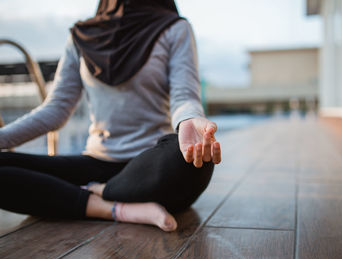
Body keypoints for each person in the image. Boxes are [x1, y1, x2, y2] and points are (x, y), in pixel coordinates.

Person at [0, 0, 221, 232]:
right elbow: (56, 109)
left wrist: (189, 120)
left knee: (193, 157)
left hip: (150, 167)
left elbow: (183, 95)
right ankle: (115, 208)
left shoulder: (174, 29)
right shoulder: (80, 36)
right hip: (97, 163)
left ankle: (95, 192)